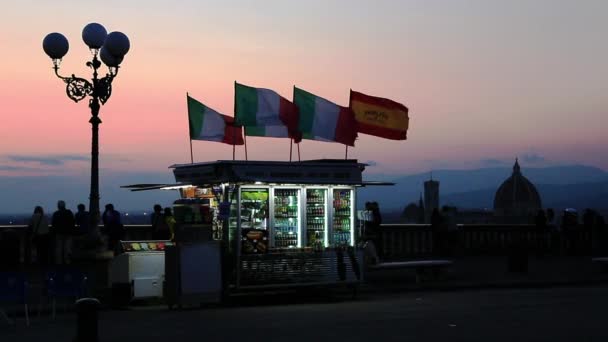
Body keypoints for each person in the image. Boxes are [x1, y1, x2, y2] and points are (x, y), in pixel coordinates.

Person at [51, 200, 76, 264]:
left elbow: (53, 224)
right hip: (68, 233)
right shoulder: (69, 212)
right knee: (67, 248)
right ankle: (67, 261)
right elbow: (73, 222)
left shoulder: (56, 214)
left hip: (59, 233)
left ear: (58, 206)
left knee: (59, 249)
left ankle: (59, 262)